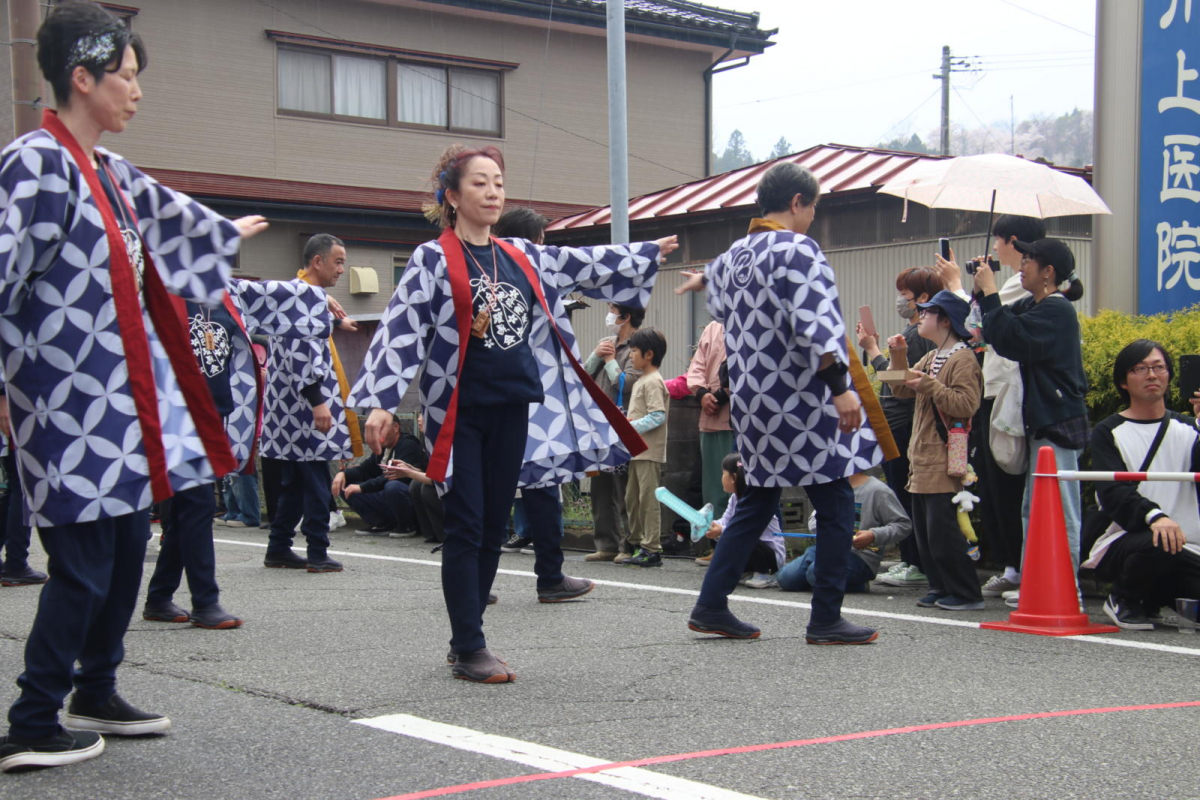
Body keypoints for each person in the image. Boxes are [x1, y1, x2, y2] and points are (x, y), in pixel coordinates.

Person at [0, 0, 268, 773]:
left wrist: (222, 234)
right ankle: (30, 717)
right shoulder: (33, 162)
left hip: (117, 403)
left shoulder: (106, 172)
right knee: (82, 560)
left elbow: (168, 217)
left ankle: (96, 687)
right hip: (62, 403)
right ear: (80, 79)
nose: (137, 91)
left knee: (123, 551)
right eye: (124, 76)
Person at [349, 144, 677, 683]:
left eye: (498, 181)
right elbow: (401, 330)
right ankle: (470, 644)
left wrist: (643, 253)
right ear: (451, 197)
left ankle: (466, 635)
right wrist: (383, 403)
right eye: (480, 183)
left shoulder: (521, 254)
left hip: (512, 406)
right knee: (467, 521)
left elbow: (582, 263)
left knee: (492, 524)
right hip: (457, 410)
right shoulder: (434, 258)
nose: (494, 191)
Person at [676, 162, 883, 644]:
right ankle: (826, 617)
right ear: (796, 202)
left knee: (757, 497)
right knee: (834, 499)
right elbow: (817, 322)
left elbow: (718, 296)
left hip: (753, 399)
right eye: (812, 206)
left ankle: (711, 604)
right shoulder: (798, 248)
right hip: (801, 397)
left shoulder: (735, 255)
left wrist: (704, 278)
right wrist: (841, 384)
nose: (812, 216)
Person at [143, 274, 335, 629]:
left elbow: (279, 294)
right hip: (173, 414)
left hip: (212, 413)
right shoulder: (159, 290)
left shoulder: (224, 294)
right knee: (195, 506)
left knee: (189, 511)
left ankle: (159, 596)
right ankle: (204, 601)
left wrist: (317, 299)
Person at [973, 238, 1088, 605]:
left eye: (1027, 262)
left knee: (1061, 507)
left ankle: (1067, 586)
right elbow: (991, 327)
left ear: (1048, 272)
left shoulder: (1057, 310)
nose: (1020, 268)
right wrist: (979, 289)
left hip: (1057, 421)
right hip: (1041, 421)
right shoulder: (1034, 304)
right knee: (1034, 508)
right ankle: (1040, 581)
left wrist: (992, 290)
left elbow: (1010, 338)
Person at [491, 206, 595, 604]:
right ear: (532, 243)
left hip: (495, 393)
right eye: (542, 242)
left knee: (489, 492)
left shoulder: (486, 273)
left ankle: (476, 581)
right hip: (537, 399)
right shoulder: (534, 274)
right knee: (542, 489)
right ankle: (549, 576)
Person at [944, 215, 1047, 600]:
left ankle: (1024, 566)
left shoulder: (1026, 286)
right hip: (994, 393)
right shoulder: (1010, 283)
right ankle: (1012, 565)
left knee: (1011, 483)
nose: (997, 249)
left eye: (1000, 241)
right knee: (995, 484)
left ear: (1012, 241)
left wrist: (960, 287)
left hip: (1009, 395)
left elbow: (977, 328)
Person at [1083, 340, 1200, 630]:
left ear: (1170, 375)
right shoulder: (1108, 431)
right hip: (1130, 540)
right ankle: (1124, 598)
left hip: (1189, 547)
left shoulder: (1190, 429)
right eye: (1141, 369)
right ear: (1123, 381)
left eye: (1159, 367)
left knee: (1171, 547)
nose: (1152, 375)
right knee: (1160, 542)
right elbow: (1113, 495)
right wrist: (1156, 516)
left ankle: (1155, 598)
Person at [260, 234, 360, 573]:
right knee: (316, 479)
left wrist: (335, 321)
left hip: (286, 407)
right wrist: (318, 402)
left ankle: (278, 546)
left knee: (294, 481)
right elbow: (299, 351)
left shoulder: (300, 294)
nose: (342, 269)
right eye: (338, 261)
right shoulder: (303, 297)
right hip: (304, 406)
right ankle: (317, 550)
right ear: (317, 261)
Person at [884, 290, 984, 610]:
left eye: (927, 312)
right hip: (924, 455)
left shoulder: (962, 358)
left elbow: (966, 405)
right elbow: (897, 387)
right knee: (927, 531)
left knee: (943, 531)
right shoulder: (934, 354)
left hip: (943, 455)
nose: (920, 316)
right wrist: (898, 354)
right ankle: (941, 586)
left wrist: (927, 384)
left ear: (944, 320)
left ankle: (966, 591)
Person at [858, 265, 943, 589]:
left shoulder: (917, 335)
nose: (900, 301)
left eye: (905, 295)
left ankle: (914, 561)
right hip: (899, 421)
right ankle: (912, 560)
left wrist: (871, 349)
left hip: (903, 421)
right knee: (902, 491)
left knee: (903, 493)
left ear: (922, 298)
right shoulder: (913, 333)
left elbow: (898, 380)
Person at [582, 302, 645, 562]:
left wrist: (609, 360)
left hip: (624, 423)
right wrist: (597, 354)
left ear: (626, 315)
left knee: (624, 488)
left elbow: (628, 382)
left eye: (612, 309)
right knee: (600, 487)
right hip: (598, 423)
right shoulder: (606, 341)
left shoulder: (641, 344)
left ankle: (628, 545)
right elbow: (584, 374)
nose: (609, 314)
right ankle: (605, 544)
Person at [779, 471, 912, 593]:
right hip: (824, 548)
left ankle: (855, 583)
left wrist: (873, 535)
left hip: (859, 556)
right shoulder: (830, 486)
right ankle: (828, 582)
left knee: (815, 574)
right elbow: (813, 519)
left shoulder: (878, 490)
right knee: (786, 578)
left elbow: (903, 525)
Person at [623, 328, 670, 567]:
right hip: (637, 451)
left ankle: (652, 549)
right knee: (633, 499)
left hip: (648, 451)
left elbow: (657, 416)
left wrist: (629, 428)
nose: (631, 356)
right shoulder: (643, 380)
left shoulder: (653, 381)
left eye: (633, 352)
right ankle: (637, 543)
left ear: (648, 354)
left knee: (648, 501)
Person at [333, 414, 425, 536]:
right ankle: (383, 524)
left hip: (409, 496)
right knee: (344, 485)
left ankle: (407, 526)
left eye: (380, 429)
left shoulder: (408, 445)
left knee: (393, 486)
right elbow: (365, 469)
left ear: (396, 427)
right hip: (387, 495)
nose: (376, 434)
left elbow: (390, 475)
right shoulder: (383, 448)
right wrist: (343, 474)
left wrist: (362, 487)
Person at [687, 319, 734, 554]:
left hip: (737, 420)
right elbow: (696, 366)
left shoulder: (750, 321)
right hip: (710, 419)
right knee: (713, 487)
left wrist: (722, 394)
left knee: (735, 486)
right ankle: (717, 546)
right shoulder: (713, 327)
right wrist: (702, 393)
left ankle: (733, 546)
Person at [705, 454, 785, 589]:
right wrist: (711, 525)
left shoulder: (756, 500)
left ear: (734, 478)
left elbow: (744, 528)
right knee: (718, 536)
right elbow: (726, 519)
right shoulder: (734, 498)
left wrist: (721, 530)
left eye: (723, 474)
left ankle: (766, 573)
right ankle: (748, 570)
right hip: (751, 545)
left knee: (744, 537)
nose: (721, 478)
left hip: (769, 553)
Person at [0, 440, 46, 587]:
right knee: (22, 487)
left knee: (14, 485)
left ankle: (15, 563)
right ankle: (16, 564)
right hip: (17, 428)